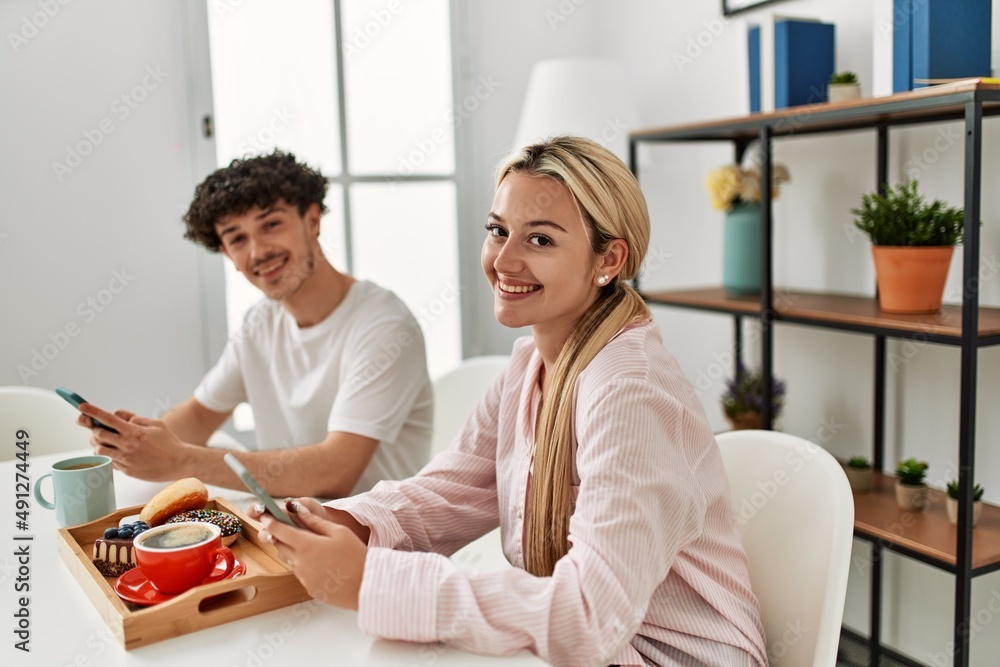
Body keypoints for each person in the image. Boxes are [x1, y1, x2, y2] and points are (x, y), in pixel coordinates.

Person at [251, 137, 767, 666]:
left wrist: (371, 582)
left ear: (608, 259)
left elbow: (589, 617)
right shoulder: (528, 367)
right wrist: (340, 523)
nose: (504, 261)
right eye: (498, 231)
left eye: (540, 240)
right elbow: (446, 494)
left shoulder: (630, 390)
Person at [78, 151, 433, 498]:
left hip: (377, 543)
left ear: (312, 221)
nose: (258, 251)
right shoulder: (260, 323)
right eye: (237, 239)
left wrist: (181, 460)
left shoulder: (384, 325)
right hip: (288, 527)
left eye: (271, 224)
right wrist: (133, 443)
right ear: (227, 255)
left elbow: (335, 471)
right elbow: (201, 414)